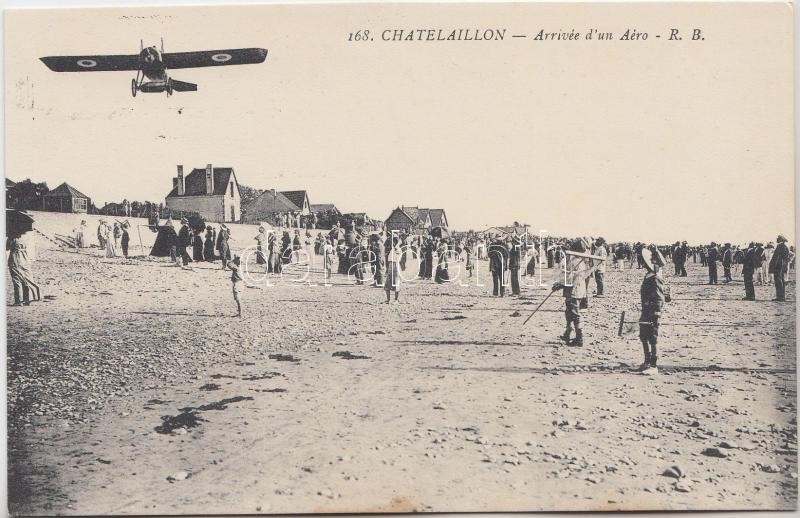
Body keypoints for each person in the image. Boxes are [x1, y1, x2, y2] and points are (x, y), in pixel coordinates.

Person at [552, 238, 602, 347]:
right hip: (578, 289)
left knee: (574, 313)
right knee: (569, 312)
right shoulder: (582, 261)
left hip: (573, 290)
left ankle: (579, 338)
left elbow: (569, 277)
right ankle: (568, 332)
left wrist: (559, 284)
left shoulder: (575, 261)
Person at [636, 245, 670, 375]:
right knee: (643, 335)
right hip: (646, 309)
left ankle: (653, 365)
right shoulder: (649, 275)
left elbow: (659, 297)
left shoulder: (655, 277)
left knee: (652, 337)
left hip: (652, 310)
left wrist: (656, 312)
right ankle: (647, 361)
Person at [7, 231, 41, 306]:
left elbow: (7, 247)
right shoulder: (26, 236)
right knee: (26, 279)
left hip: (15, 259)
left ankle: (18, 301)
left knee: (16, 280)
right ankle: (27, 299)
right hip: (24, 258)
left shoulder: (12, 237)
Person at [769, 234, 791, 302]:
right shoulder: (785, 247)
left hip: (778, 266)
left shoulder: (780, 246)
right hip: (782, 266)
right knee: (781, 281)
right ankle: (781, 296)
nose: (777, 239)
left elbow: (777, 258)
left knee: (778, 281)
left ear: (781, 240)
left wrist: (774, 266)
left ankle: (780, 297)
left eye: (778, 238)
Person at [385, 234, 402, 303]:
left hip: (395, 266)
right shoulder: (393, 249)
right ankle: (388, 299)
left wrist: (397, 243)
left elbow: (397, 250)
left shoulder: (397, 249)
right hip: (391, 265)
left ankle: (396, 299)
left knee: (396, 282)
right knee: (388, 283)